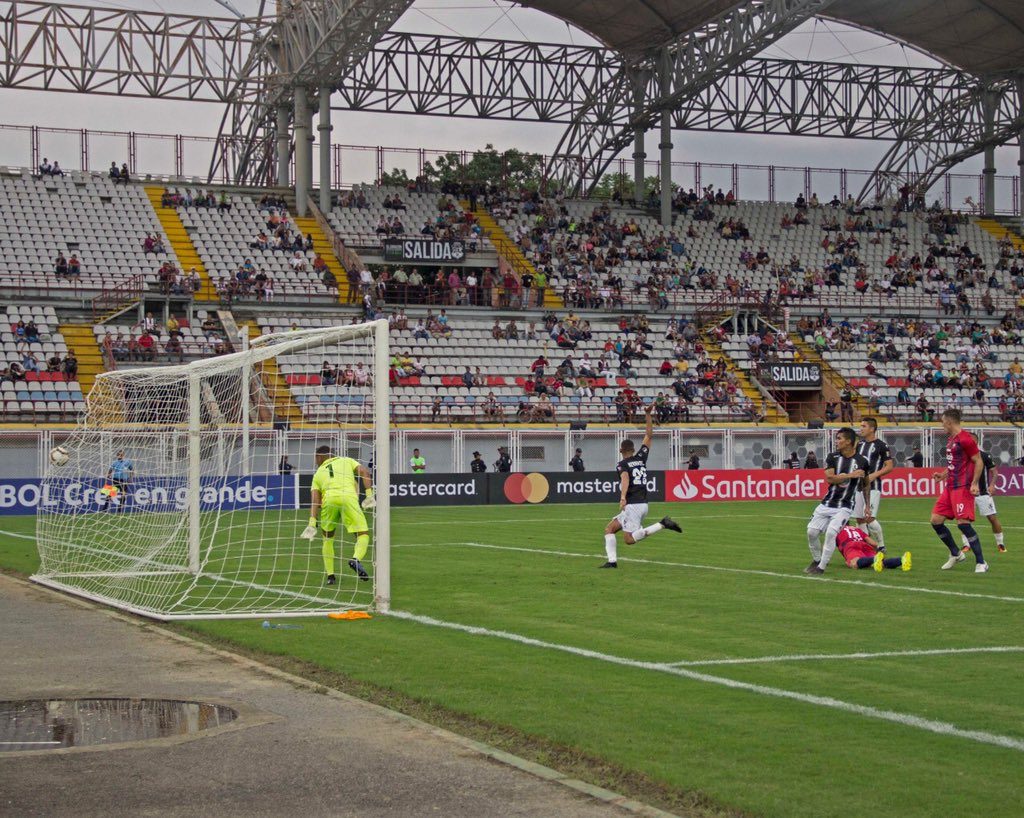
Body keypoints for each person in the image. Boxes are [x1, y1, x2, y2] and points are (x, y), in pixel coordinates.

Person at [600, 405, 682, 568]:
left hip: (633, 505)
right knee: (609, 529)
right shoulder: (641, 458)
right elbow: (649, 435)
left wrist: (622, 497)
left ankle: (662, 524)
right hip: (641, 503)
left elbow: (625, 479)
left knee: (629, 540)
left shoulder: (622, 464)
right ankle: (612, 562)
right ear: (633, 449)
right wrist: (647, 414)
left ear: (621, 450)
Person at [300, 445, 374, 584]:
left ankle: (330, 576)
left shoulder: (318, 473)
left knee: (328, 538)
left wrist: (312, 522)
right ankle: (355, 559)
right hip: (348, 498)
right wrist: (369, 496)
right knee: (362, 534)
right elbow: (365, 472)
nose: (315, 461)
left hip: (329, 501)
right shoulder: (347, 460)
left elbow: (316, 500)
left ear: (320, 456)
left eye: (316, 458)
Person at [805, 427, 870, 575]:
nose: (837, 441)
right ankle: (816, 559)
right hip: (827, 503)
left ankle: (820, 567)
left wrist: (867, 505)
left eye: (839, 438)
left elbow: (866, 483)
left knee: (831, 533)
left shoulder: (862, 461)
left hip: (845, 506)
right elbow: (830, 478)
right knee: (811, 532)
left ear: (848, 441)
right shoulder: (832, 457)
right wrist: (851, 475)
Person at [930, 409, 987, 573]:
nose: (942, 425)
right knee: (935, 520)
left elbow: (978, 461)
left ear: (949, 422)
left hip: (962, 487)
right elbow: (954, 464)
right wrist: (942, 475)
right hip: (950, 487)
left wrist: (975, 483)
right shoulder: (951, 440)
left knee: (963, 524)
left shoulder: (966, 439)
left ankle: (981, 562)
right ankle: (956, 553)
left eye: (942, 422)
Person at [854, 418, 894, 551]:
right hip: (858, 487)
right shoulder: (859, 445)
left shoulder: (881, 445)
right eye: (860, 426)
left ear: (872, 429)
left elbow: (889, 466)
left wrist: (874, 475)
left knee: (869, 517)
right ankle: (867, 545)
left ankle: (881, 545)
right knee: (859, 519)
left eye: (863, 426)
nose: (861, 428)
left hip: (873, 486)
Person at [960, 450, 1006, 554]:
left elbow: (994, 471)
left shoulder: (984, 455)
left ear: (975, 441)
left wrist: (992, 485)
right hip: (967, 493)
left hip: (983, 493)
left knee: (992, 518)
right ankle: (966, 545)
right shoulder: (962, 456)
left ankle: (1000, 544)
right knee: (964, 519)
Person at [835, 525, 911, 572]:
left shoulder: (835, 531)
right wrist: (876, 551)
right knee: (880, 563)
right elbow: (873, 543)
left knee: (854, 563)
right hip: (864, 545)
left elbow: (829, 546)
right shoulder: (856, 529)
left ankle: (874, 559)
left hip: (850, 545)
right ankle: (901, 560)